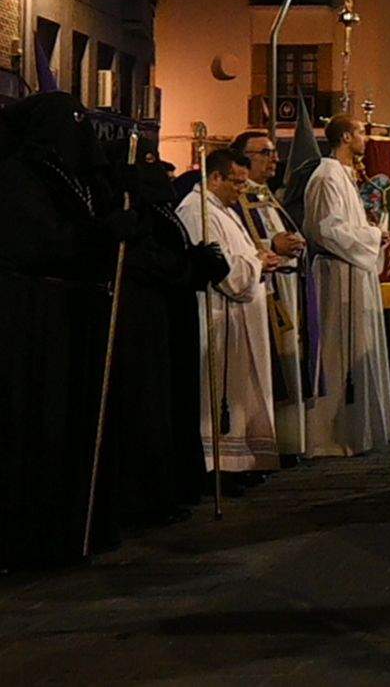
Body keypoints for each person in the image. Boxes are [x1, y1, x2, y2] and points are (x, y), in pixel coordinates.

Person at [0, 94, 141, 567]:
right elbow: (41, 243)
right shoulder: (18, 176)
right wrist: (103, 233)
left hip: (69, 314)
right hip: (30, 316)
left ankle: (74, 522)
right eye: (71, 121)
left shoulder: (70, 175)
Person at [110, 156, 220, 524]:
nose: (166, 178)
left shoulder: (162, 210)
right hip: (143, 322)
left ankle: (175, 486)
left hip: (171, 319)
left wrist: (198, 262)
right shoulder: (138, 214)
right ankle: (145, 498)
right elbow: (147, 261)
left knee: (174, 401)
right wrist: (191, 266)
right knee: (148, 405)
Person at [176, 149, 280, 490]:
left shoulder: (223, 209)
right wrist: (256, 264)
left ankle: (240, 460)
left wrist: (258, 258)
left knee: (240, 388)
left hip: (238, 312)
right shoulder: (197, 211)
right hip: (216, 312)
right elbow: (221, 269)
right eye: (236, 181)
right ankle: (216, 466)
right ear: (215, 177)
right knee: (218, 392)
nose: (242, 188)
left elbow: (238, 257)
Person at [303, 116, 390, 458]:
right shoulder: (326, 176)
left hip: (354, 271)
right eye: (359, 132)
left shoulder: (344, 175)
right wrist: (372, 236)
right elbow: (326, 230)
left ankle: (355, 431)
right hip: (337, 275)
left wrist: (372, 234)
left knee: (355, 349)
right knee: (336, 352)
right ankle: (330, 437)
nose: (365, 138)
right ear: (344, 136)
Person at [231, 131, 308, 461]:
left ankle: (288, 442)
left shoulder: (268, 195)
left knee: (290, 365)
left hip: (287, 287)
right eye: (265, 152)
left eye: (274, 152)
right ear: (244, 156)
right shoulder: (237, 197)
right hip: (262, 289)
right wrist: (274, 248)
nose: (274, 158)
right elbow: (240, 246)